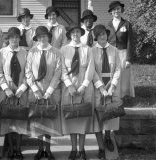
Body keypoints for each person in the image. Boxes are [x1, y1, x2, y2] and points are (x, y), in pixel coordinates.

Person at [26, 26, 62, 160]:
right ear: (37, 38)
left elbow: (58, 72)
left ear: (48, 37)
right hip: (36, 90)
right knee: (38, 120)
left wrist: (49, 91)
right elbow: (28, 71)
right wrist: (35, 89)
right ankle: (40, 150)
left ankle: (48, 149)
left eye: (44, 36)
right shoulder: (32, 52)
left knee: (49, 120)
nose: (42, 39)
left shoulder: (56, 52)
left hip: (50, 90)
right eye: (39, 37)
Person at [60, 23, 95, 160]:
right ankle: (73, 149)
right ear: (69, 35)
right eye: (73, 32)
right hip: (69, 86)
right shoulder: (63, 50)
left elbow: (90, 68)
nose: (75, 34)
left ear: (81, 34)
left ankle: (82, 149)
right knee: (72, 117)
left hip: (83, 86)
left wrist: (84, 85)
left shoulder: (87, 49)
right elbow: (62, 69)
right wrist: (69, 85)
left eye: (78, 32)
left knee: (82, 117)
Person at [0, 27, 28, 160]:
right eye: (12, 37)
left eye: (17, 37)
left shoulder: (25, 52)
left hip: (21, 88)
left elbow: (28, 72)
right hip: (7, 89)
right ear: (8, 39)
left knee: (19, 118)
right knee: (8, 118)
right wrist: (5, 88)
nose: (14, 40)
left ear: (20, 38)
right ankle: (10, 148)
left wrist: (22, 88)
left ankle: (18, 149)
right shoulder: (2, 53)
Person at [91, 24, 121, 159]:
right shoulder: (91, 51)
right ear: (96, 37)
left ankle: (108, 137)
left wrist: (112, 85)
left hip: (111, 86)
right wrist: (101, 87)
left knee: (110, 113)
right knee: (99, 116)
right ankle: (101, 147)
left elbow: (118, 69)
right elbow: (92, 71)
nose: (102, 36)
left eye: (104, 34)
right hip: (98, 87)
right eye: (99, 35)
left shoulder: (114, 50)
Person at [107, 1, 135, 99]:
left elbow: (130, 42)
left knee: (123, 75)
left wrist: (129, 59)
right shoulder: (108, 25)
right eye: (114, 9)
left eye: (118, 8)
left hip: (123, 52)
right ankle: (113, 94)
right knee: (113, 74)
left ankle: (122, 96)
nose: (116, 11)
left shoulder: (127, 24)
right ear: (111, 12)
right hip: (111, 53)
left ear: (121, 10)